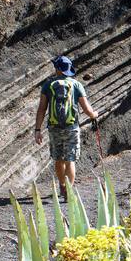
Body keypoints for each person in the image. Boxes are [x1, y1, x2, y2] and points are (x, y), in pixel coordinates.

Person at [34, 55, 98, 201]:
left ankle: (62, 185)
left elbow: (42, 109)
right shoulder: (76, 85)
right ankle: (69, 191)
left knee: (58, 159)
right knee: (70, 160)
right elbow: (87, 109)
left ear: (57, 68)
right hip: (71, 128)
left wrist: (37, 130)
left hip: (54, 128)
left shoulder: (48, 85)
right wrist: (94, 115)